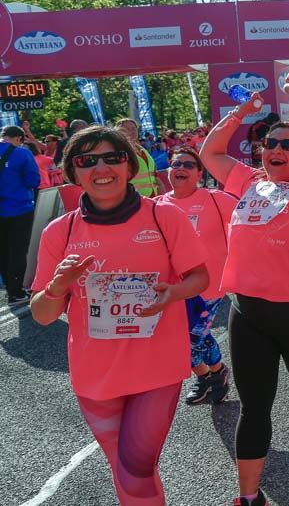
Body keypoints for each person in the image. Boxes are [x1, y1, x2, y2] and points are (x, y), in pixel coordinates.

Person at [30, 126, 209, 506]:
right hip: (95, 376)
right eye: (86, 161)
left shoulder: (164, 215)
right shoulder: (59, 232)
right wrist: (58, 286)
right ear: (73, 173)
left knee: (135, 466)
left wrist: (173, 293)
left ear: (128, 166)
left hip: (156, 368)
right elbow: (43, 314)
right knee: (124, 471)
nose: (101, 168)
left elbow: (199, 277)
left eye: (112, 157)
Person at [200, 69, 289, 506]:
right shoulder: (247, 183)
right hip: (249, 312)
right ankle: (248, 496)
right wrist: (242, 109)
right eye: (270, 143)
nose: (275, 149)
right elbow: (210, 152)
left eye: (287, 144)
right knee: (255, 405)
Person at [157, 146, 238, 406]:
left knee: (189, 340)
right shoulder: (158, 205)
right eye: (176, 164)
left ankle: (208, 376)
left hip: (211, 286)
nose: (180, 168)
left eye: (188, 165)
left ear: (200, 173)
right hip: (176, 288)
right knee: (186, 338)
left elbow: (251, 222)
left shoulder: (215, 199)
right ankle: (214, 374)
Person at [0, 125, 40, 304]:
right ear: (18, 138)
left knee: (2, 250)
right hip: (19, 208)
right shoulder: (22, 154)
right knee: (17, 249)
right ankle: (15, 292)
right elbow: (34, 180)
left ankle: (9, 287)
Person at [116, 118, 164, 197]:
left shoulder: (142, 149)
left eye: (133, 128)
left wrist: (161, 192)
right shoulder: (120, 152)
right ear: (119, 132)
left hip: (153, 198)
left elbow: (154, 175)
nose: (132, 131)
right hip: (134, 200)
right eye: (126, 129)